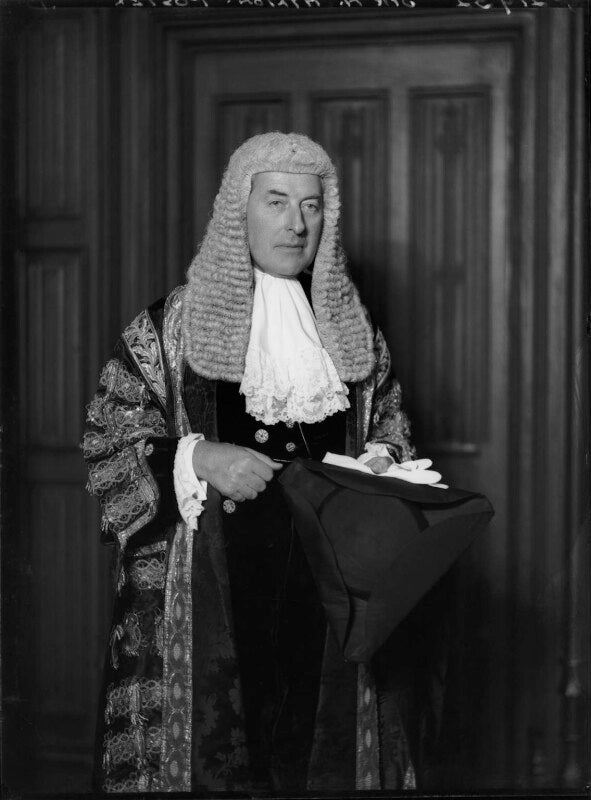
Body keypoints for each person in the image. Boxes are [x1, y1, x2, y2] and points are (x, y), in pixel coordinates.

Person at [83, 132, 444, 794]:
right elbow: (109, 442)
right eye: (276, 202)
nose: (295, 224)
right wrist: (200, 457)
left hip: (328, 597)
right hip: (216, 596)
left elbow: (390, 425)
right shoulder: (169, 328)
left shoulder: (352, 329)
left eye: (311, 205)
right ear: (237, 211)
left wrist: (380, 460)